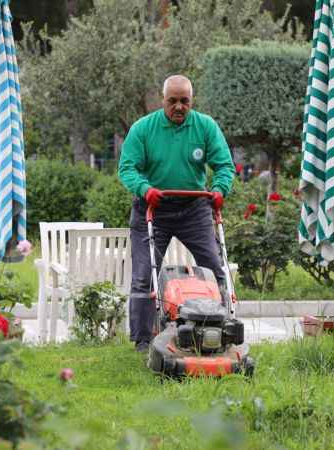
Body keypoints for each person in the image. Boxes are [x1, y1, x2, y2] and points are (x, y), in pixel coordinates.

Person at [118, 75, 235, 352]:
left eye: (185, 101)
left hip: (194, 207)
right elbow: (127, 168)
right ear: (163, 101)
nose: (179, 107)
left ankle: (222, 328)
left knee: (214, 268)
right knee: (144, 275)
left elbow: (224, 166)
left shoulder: (205, 127)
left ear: (192, 101)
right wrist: (144, 188)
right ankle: (143, 340)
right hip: (152, 208)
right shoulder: (143, 129)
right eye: (173, 101)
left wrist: (220, 189)